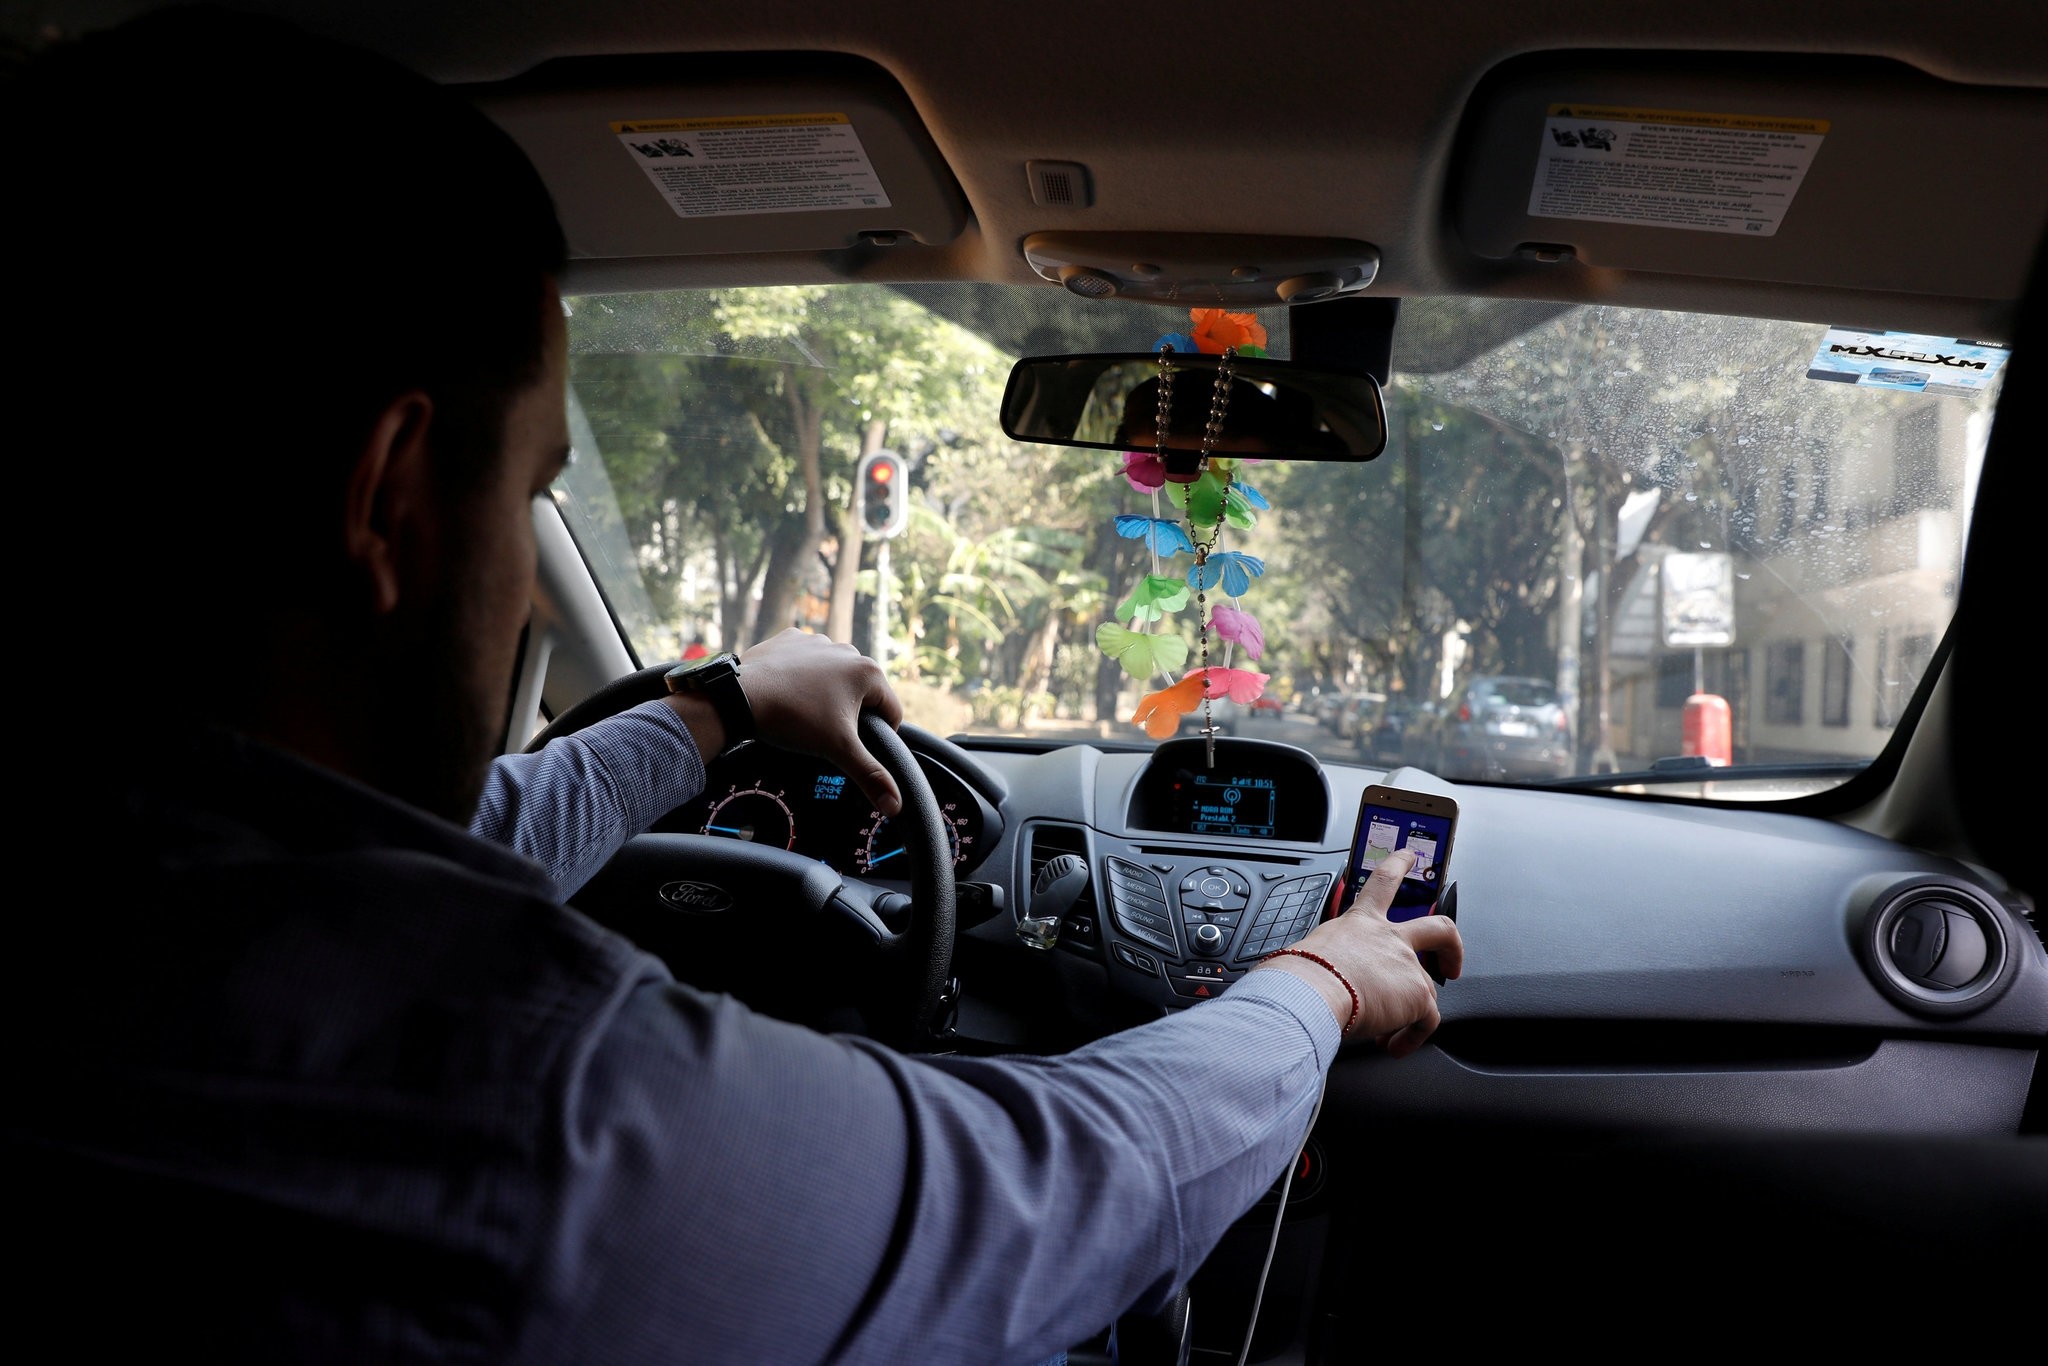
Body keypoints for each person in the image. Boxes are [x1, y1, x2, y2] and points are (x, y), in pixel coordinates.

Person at [6, 8, 1464, 1364]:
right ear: (390, 497)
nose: (525, 569)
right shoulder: (527, 1097)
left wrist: (714, 705)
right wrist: (1321, 978)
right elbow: (1058, 1189)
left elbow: (475, 834)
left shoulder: (145, 891)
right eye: (531, 496)